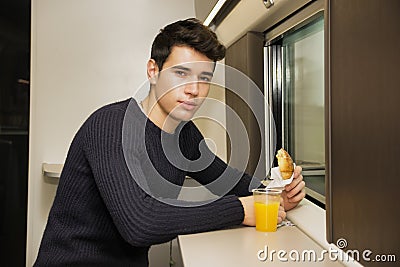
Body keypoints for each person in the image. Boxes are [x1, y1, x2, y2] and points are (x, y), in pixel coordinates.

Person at [34, 18, 305, 266]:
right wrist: (238, 209)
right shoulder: (111, 125)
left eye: (204, 78)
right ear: (153, 71)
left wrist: (276, 192)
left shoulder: (184, 134)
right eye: (181, 73)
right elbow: (140, 224)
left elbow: (228, 180)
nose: (194, 89)